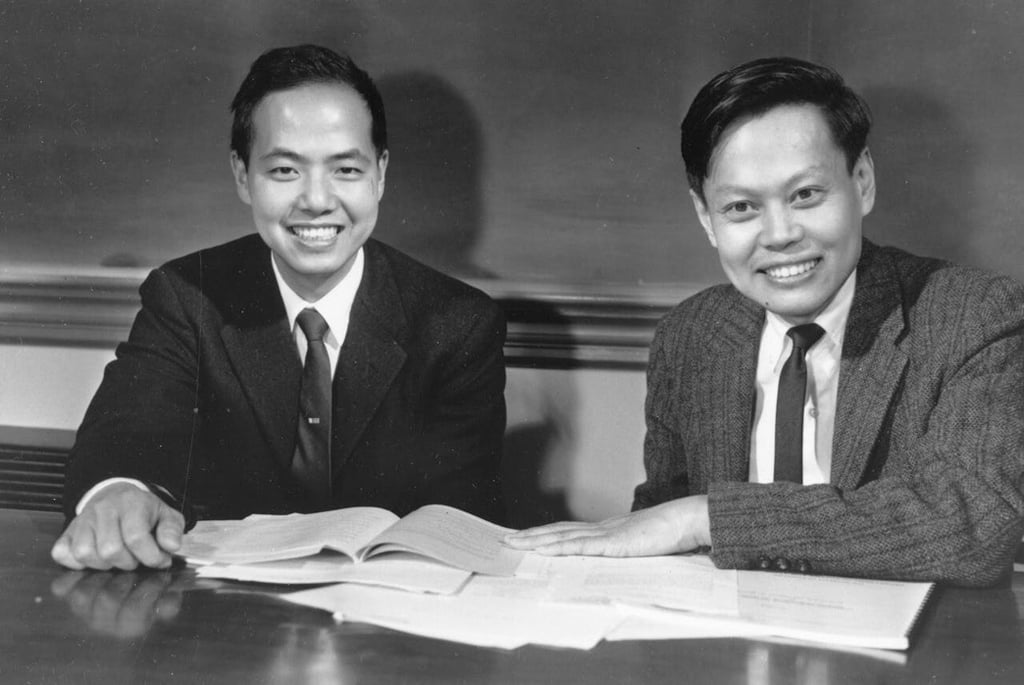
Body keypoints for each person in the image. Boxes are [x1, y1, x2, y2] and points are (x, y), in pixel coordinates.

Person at [508, 56, 1024, 586]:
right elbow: (658, 528)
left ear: (862, 181)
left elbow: (974, 525)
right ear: (706, 218)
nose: (779, 235)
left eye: (806, 195)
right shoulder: (691, 334)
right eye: (741, 208)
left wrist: (707, 518)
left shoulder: (972, 314)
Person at [52, 45, 507, 571]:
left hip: (387, 605)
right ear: (242, 175)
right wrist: (119, 491)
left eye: (346, 169)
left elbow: (459, 519)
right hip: (219, 607)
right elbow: (127, 432)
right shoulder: (186, 297)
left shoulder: (457, 324)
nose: (316, 200)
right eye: (286, 170)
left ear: (380, 174)